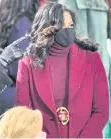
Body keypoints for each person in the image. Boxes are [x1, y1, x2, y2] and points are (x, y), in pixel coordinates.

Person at [16, 2, 109, 138]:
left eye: (70, 26)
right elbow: (23, 112)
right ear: (47, 29)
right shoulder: (28, 64)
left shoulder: (91, 58)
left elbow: (101, 110)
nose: (68, 30)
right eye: (62, 26)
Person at [0, 0, 39, 119]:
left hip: (2, 88)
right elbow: (19, 67)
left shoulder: (10, 21)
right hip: (13, 93)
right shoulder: (24, 24)